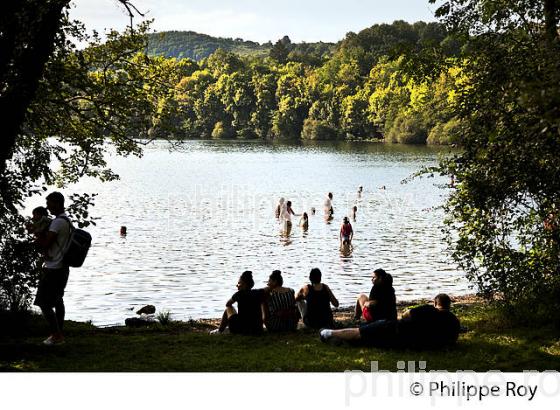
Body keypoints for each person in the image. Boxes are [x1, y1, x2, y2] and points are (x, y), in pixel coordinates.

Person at [319, 294, 461, 350]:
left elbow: (406, 315)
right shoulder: (454, 321)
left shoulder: (428, 310)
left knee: (360, 332)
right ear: (449, 305)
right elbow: (452, 340)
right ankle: (339, 339)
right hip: (410, 343)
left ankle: (328, 333)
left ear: (436, 303)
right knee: (367, 339)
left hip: (397, 331)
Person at [33, 192, 72, 345]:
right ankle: (58, 333)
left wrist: (37, 234)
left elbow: (44, 244)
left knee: (44, 303)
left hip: (53, 268)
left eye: (49, 204)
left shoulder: (57, 223)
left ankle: (56, 335)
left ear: (57, 203)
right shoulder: (66, 221)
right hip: (62, 267)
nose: (47, 207)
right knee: (57, 300)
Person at [211, 271, 265, 335]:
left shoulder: (239, 294)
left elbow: (228, 304)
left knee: (228, 308)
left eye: (239, 283)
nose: (237, 285)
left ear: (244, 284)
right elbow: (268, 288)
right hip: (257, 329)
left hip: (241, 330)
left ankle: (220, 331)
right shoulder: (259, 292)